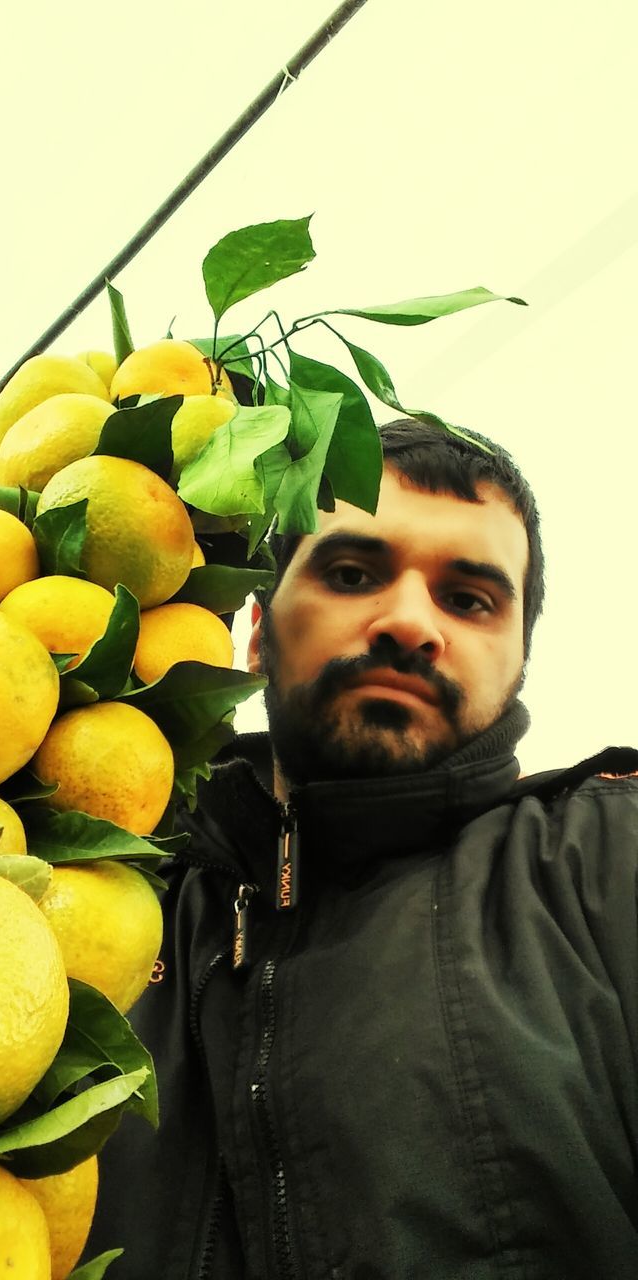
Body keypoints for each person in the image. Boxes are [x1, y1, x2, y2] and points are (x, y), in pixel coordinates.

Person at [87, 418, 638, 1279]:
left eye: (469, 599)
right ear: (260, 631)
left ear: (519, 661)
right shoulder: (93, 901)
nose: (410, 623)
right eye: (351, 575)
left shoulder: (609, 863)